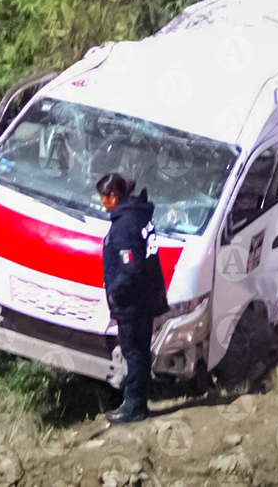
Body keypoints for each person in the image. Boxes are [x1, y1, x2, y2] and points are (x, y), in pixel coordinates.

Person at [97, 173, 169, 425]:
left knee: (134, 352)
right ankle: (135, 402)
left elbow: (130, 269)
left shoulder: (124, 226)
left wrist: (114, 293)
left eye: (103, 197)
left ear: (113, 197)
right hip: (146, 297)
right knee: (140, 351)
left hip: (132, 302)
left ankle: (134, 407)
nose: (101, 202)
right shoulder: (140, 216)